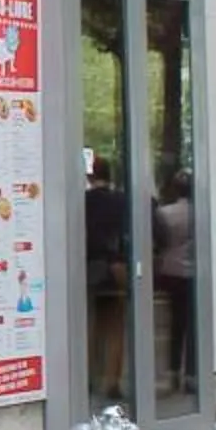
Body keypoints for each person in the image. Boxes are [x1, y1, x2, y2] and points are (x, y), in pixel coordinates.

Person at [84, 150, 128, 406]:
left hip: (89, 266)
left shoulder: (83, 201)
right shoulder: (121, 201)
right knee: (115, 327)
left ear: (91, 176)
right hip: (116, 267)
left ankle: (88, 374)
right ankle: (111, 380)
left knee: (90, 324)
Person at [153, 170, 195, 396]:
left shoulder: (164, 213)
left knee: (174, 325)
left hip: (169, 272)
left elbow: (159, 243)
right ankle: (190, 373)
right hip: (191, 273)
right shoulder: (199, 213)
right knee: (191, 325)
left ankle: (172, 371)